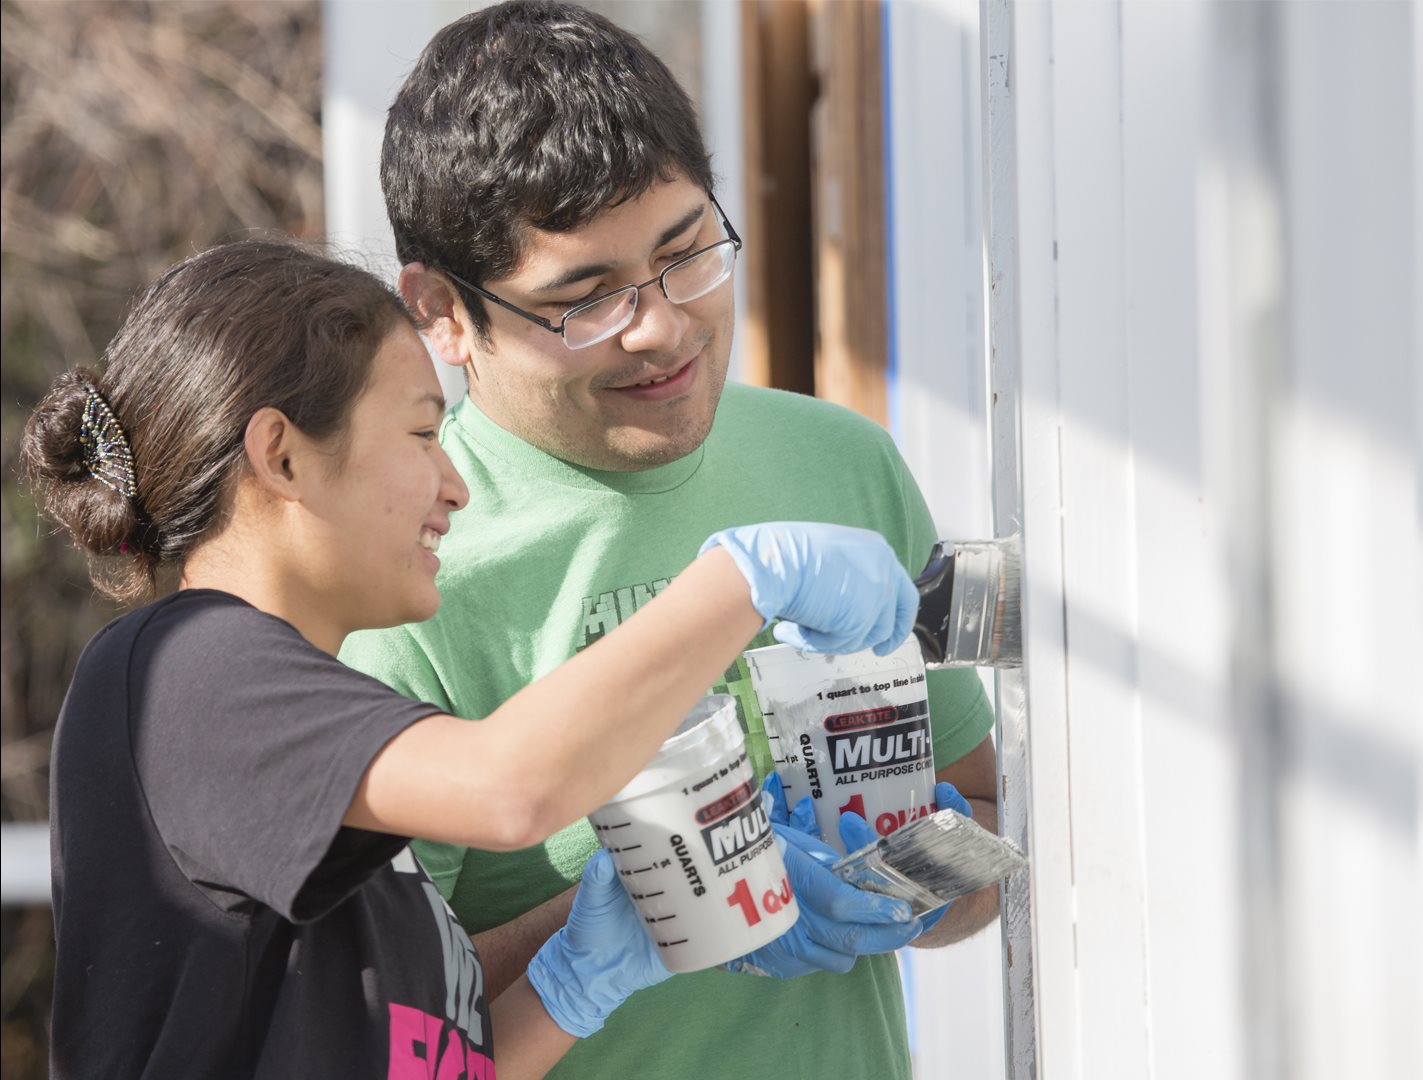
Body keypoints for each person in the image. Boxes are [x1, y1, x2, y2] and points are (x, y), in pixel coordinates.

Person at [22, 239, 927, 1079]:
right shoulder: (183, 666)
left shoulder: (318, 752)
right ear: (282, 456)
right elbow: (510, 788)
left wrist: (577, 978)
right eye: (422, 435)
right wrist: (743, 580)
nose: (453, 484)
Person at [339, 3, 1002, 1078]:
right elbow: (374, 1024)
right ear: (442, 312)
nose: (660, 327)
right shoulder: (409, 575)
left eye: (688, 252)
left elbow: (978, 815)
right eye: (584, 299)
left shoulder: (842, 464)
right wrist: (651, 906)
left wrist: (905, 887)